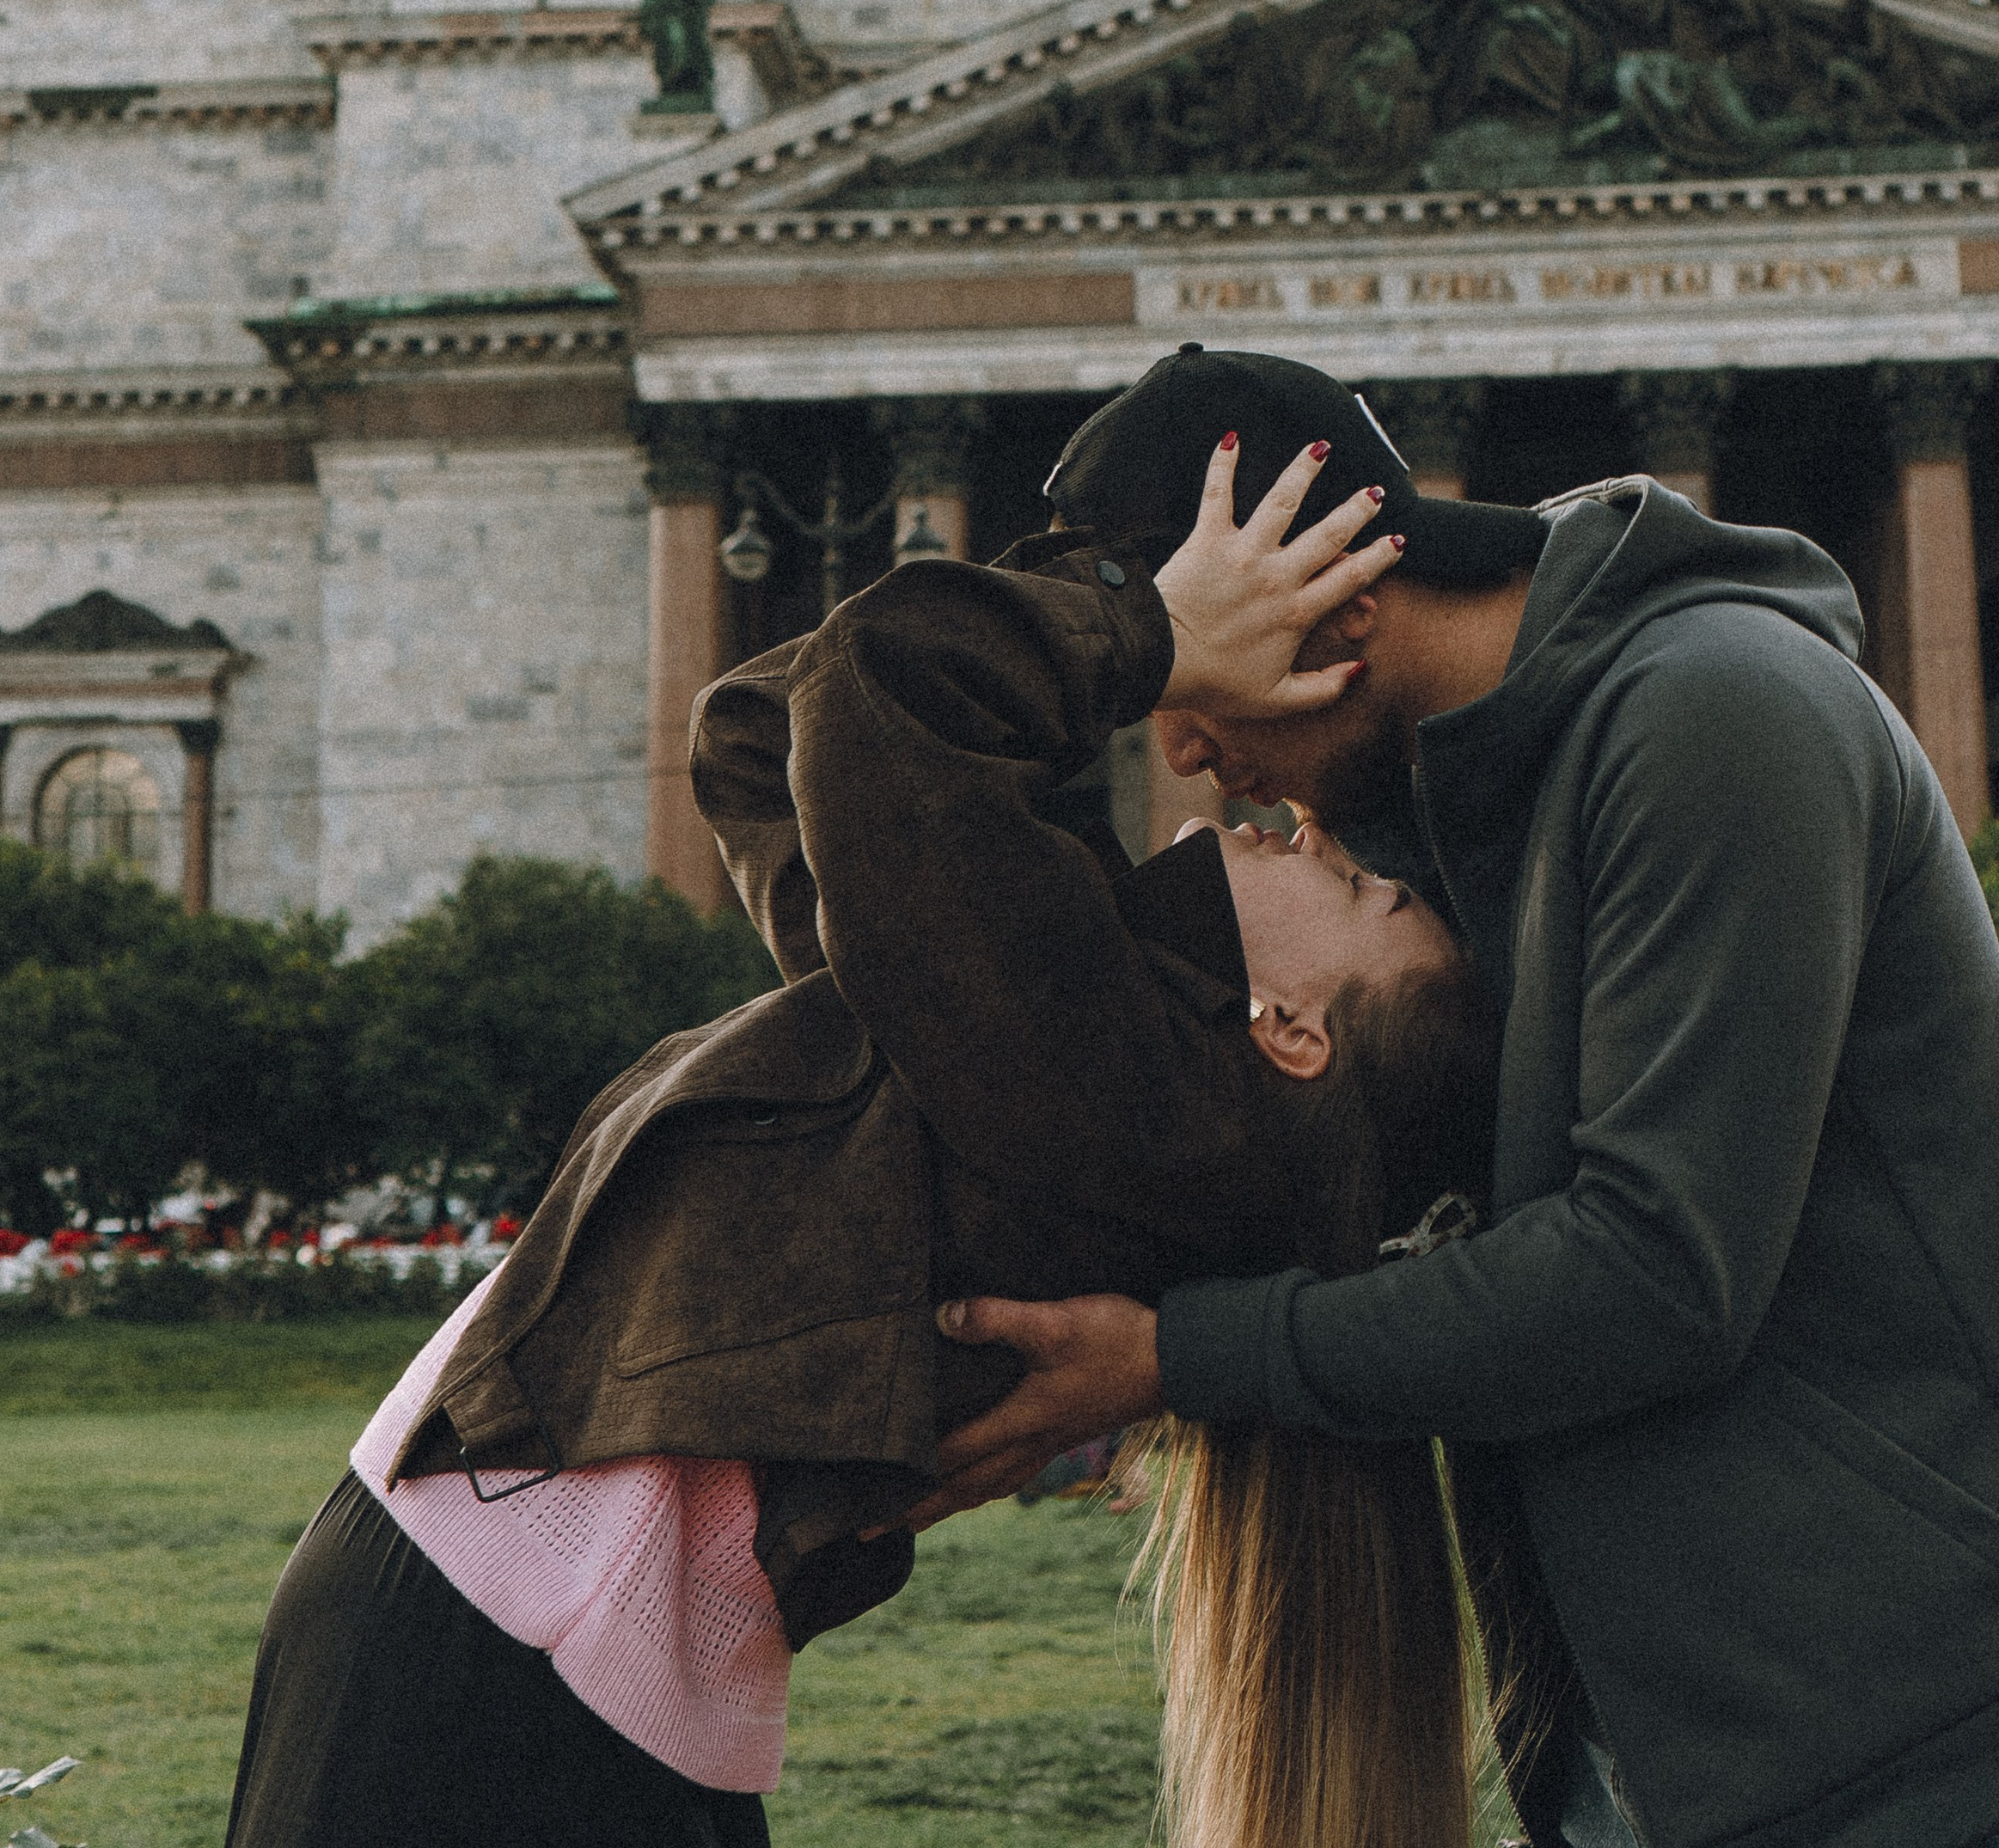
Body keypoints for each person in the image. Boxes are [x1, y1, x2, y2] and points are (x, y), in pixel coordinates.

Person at [224, 456, 1501, 1848]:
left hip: (496, 1636)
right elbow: (768, 728)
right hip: (558, 1645)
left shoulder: (1127, 1095)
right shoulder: (1029, 1045)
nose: (1314, 832)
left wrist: (1152, 625)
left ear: (1295, 1034)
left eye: (1365, 890)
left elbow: (882, 695)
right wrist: (1121, 573)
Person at [924, 346, 1999, 1848]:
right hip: (1665, 1757)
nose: (1181, 755)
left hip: (1926, 1744)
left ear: (1340, 606)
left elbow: (1659, 1273)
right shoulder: (1443, 836)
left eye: (1181, 685)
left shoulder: (1718, 712)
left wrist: (1180, 1355)